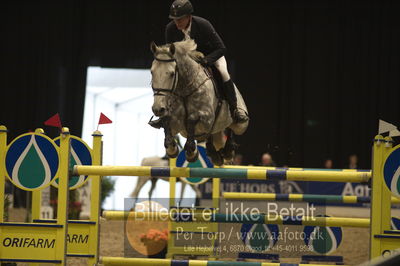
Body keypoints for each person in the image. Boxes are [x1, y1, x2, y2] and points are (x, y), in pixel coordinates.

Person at [165, 0, 249, 123]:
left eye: (180, 19)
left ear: (189, 17)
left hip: (211, 55)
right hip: (188, 62)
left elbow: (221, 48)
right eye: (174, 19)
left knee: (223, 72)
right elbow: (170, 53)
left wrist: (207, 60)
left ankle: (234, 109)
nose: (177, 22)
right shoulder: (170, 28)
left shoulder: (203, 24)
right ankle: (165, 113)